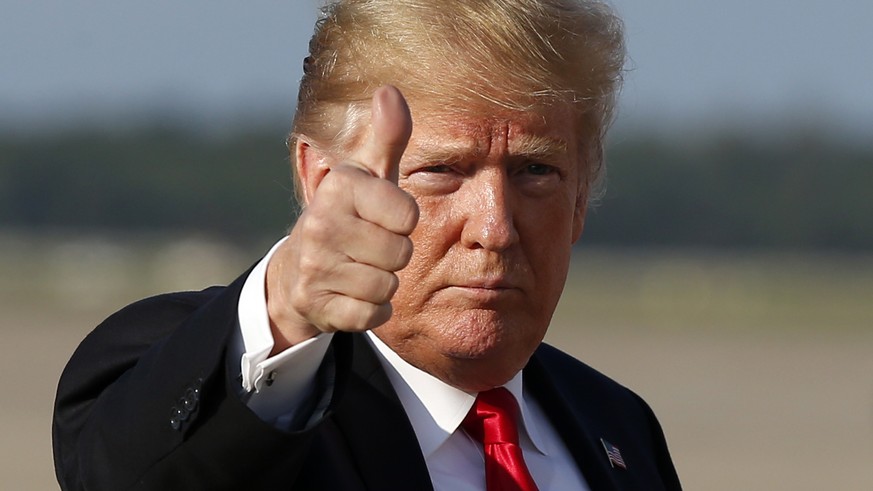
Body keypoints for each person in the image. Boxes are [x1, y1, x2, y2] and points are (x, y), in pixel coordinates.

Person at [53, 0, 682, 489]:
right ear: (322, 182)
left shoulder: (618, 427)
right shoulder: (222, 379)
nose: (494, 227)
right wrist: (285, 310)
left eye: (536, 172)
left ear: (580, 200)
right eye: (441, 171)